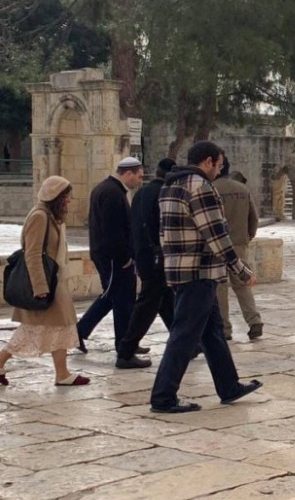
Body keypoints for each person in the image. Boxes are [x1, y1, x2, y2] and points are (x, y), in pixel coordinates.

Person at [149, 141, 262, 414]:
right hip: (199, 271)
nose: (219, 170)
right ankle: (163, 396)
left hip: (182, 269)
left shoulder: (170, 186)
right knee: (184, 335)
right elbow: (216, 236)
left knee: (213, 332)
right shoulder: (200, 187)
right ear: (208, 161)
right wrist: (242, 270)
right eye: (218, 165)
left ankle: (229, 386)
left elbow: (163, 231)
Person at [0, 177, 90, 386]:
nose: (69, 200)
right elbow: (32, 254)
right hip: (45, 283)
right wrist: (40, 287)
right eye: (66, 196)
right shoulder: (39, 216)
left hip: (54, 280)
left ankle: (62, 374)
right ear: (56, 197)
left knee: (60, 326)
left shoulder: (50, 216)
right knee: (35, 329)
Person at [76, 156, 144, 354]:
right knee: (121, 300)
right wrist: (124, 258)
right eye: (139, 177)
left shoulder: (107, 189)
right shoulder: (113, 193)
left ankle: (81, 332)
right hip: (114, 258)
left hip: (108, 255)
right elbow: (113, 230)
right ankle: (123, 346)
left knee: (114, 297)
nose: (140, 181)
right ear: (128, 174)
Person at [117, 158, 176, 369]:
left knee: (166, 301)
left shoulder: (141, 193)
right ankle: (125, 352)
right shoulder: (164, 194)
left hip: (143, 256)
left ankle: (187, 344)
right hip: (157, 258)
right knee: (147, 305)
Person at [214, 157, 263, 341]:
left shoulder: (211, 189)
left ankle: (224, 328)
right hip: (239, 244)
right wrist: (247, 237)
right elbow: (254, 218)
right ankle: (254, 320)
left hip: (217, 246)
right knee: (242, 284)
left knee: (220, 288)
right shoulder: (242, 189)